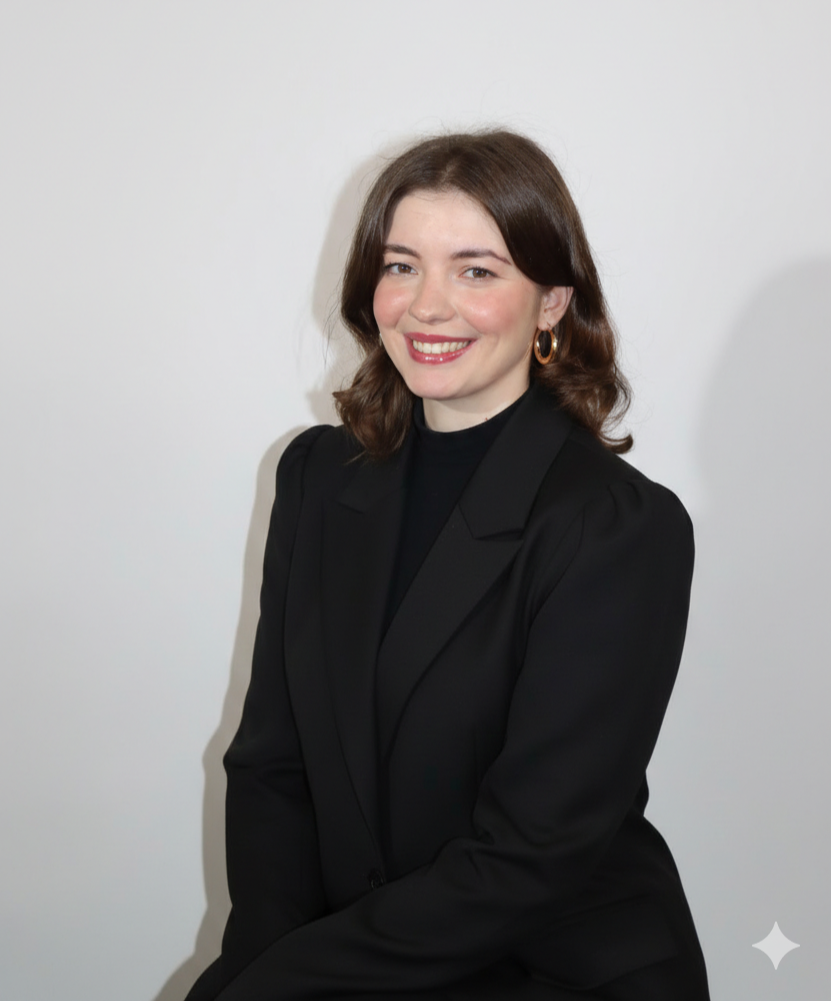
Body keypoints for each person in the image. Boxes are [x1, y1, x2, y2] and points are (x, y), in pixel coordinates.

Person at [184, 130, 710, 1000]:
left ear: (549, 302)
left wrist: (285, 983)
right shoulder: (317, 476)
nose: (426, 306)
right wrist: (263, 965)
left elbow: (530, 854)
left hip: (545, 969)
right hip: (339, 963)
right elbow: (272, 766)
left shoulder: (616, 525)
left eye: (475, 270)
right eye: (400, 266)